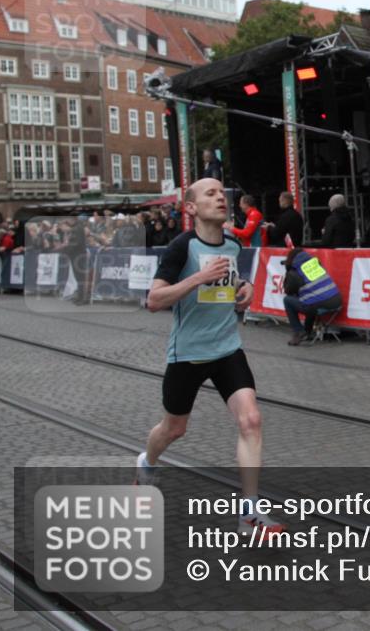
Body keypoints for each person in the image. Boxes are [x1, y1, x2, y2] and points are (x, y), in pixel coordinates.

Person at [136, 178, 283, 537]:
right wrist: (198, 278)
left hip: (227, 348)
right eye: (210, 194)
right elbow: (154, 301)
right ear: (190, 208)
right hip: (187, 353)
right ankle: (147, 462)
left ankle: (249, 516)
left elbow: (234, 281)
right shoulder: (181, 247)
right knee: (174, 429)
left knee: (251, 420)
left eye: (222, 193)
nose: (220, 198)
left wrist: (245, 288)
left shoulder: (233, 243)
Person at [281, 247, 343, 346]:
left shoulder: (294, 272)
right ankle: (307, 332)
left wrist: (288, 273)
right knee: (310, 299)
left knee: (288, 301)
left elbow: (288, 290)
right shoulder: (315, 264)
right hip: (337, 301)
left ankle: (298, 331)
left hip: (320, 304)